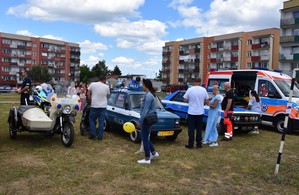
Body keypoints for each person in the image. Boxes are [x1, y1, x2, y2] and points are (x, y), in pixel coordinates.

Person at [137, 79, 159, 164]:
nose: (142, 86)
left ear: (146, 86)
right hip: (148, 118)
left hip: (147, 119)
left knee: (144, 138)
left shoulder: (149, 96)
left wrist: (140, 121)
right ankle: (154, 153)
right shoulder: (149, 94)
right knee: (145, 138)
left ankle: (147, 158)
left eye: (142, 85)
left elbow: (145, 110)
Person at [183, 78, 209, 149]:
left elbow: (185, 100)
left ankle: (190, 144)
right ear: (200, 82)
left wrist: (190, 101)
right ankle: (199, 144)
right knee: (199, 129)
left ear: (194, 82)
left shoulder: (190, 89)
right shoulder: (203, 90)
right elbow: (206, 101)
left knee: (191, 129)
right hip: (200, 112)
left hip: (191, 112)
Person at [87, 76, 110, 140]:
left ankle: (93, 134)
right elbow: (107, 95)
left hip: (94, 105)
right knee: (101, 121)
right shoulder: (106, 86)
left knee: (91, 119)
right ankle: (100, 136)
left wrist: (89, 99)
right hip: (103, 106)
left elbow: (88, 92)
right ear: (104, 80)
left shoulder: (93, 84)